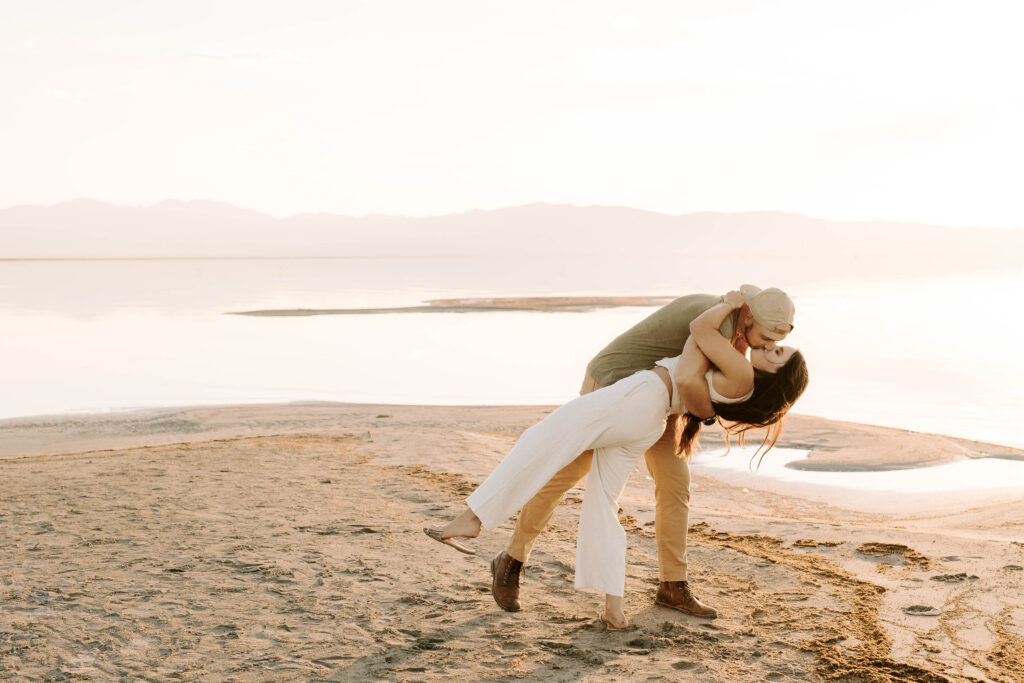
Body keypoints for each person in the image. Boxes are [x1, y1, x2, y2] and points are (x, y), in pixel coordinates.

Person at [425, 290, 809, 629]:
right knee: (567, 473)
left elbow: (694, 376)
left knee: (674, 485)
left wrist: (703, 408)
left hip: (654, 403)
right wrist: (704, 408)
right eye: (770, 336)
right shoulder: (722, 325)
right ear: (749, 317)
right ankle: (512, 559)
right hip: (616, 381)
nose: (771, 342)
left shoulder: (739, 341)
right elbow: (694, 367)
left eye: (778, 343)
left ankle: (672, 585)